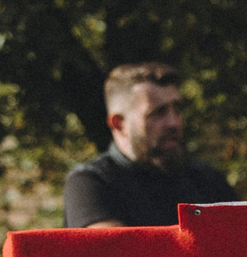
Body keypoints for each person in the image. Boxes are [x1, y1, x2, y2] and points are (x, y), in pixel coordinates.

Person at [64, 63, 235, 228]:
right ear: (119, 124)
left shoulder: (207, 180)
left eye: (177, 109)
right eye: (158, 113)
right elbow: (116, 253)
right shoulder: (90, 184)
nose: (173, 123)